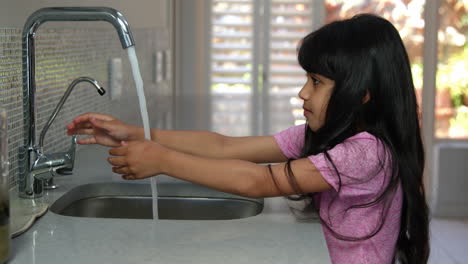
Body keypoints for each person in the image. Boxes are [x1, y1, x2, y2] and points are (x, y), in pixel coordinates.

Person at [66, 14, 430, 264]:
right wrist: (136, 132)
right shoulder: (332, 137)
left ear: (362, 93)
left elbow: (257, 181)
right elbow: (225, 146)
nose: (303, 93)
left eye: (316, 83)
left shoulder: (366, 154)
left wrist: (162, 160)